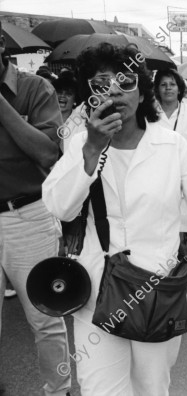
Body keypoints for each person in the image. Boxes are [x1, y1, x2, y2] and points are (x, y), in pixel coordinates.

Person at [42, 43, 187, 396]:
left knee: (151, 388)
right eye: (101, 83)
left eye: (125, 81)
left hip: (157, 292)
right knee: (101, 390)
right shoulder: (80, 144)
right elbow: (59, 206)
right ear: (89, 95)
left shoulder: (171, 146)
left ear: (142, 90)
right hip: (98, 292)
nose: (114, 89)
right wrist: (91, 150)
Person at [0, 21, 71, 396]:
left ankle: (59, 390)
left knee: (44, 317)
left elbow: (47, 152)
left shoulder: (34, 88)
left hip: (27, 215)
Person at [154, 68, 187, 269]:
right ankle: (176, 254)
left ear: (179, 88)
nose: (168, 88)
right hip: (158, 172)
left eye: (172, 84)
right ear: (157, 88)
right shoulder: (150, 111)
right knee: (166, 215)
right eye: (163, 85)